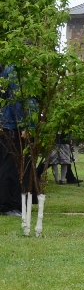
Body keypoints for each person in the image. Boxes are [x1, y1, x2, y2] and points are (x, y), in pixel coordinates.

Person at [0, 65, 30, 216]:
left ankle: (13, 202)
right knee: (11, 165)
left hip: (8, 123)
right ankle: (8, 204)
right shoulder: (16, 71)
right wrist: (23, 125)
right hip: (13, 125)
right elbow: (17, 100)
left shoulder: (10, 70)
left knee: (10, 163)